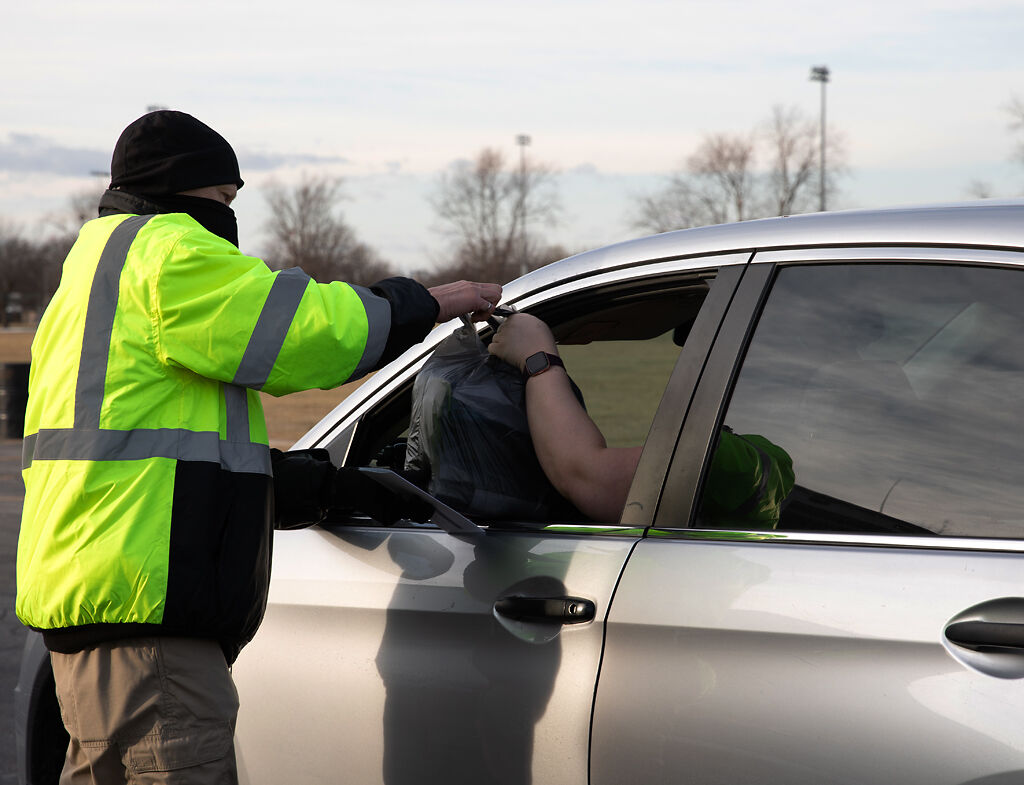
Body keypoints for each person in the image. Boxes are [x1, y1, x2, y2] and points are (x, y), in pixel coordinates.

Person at [15, 109, 501, 785]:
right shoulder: (168, 254)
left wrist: (302, 485)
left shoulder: (90, 274)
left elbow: (135, 450)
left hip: (99, 601)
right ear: (179, 190)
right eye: (222, 199)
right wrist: (422, 304)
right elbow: (305, 333)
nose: (227, 217)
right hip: (148, 624)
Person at [488, 313, 793, 525]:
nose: (692, 368)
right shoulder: (779, 460)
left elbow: (587, 476)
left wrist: (537, 357)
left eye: (713, 355)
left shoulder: (736, 461)